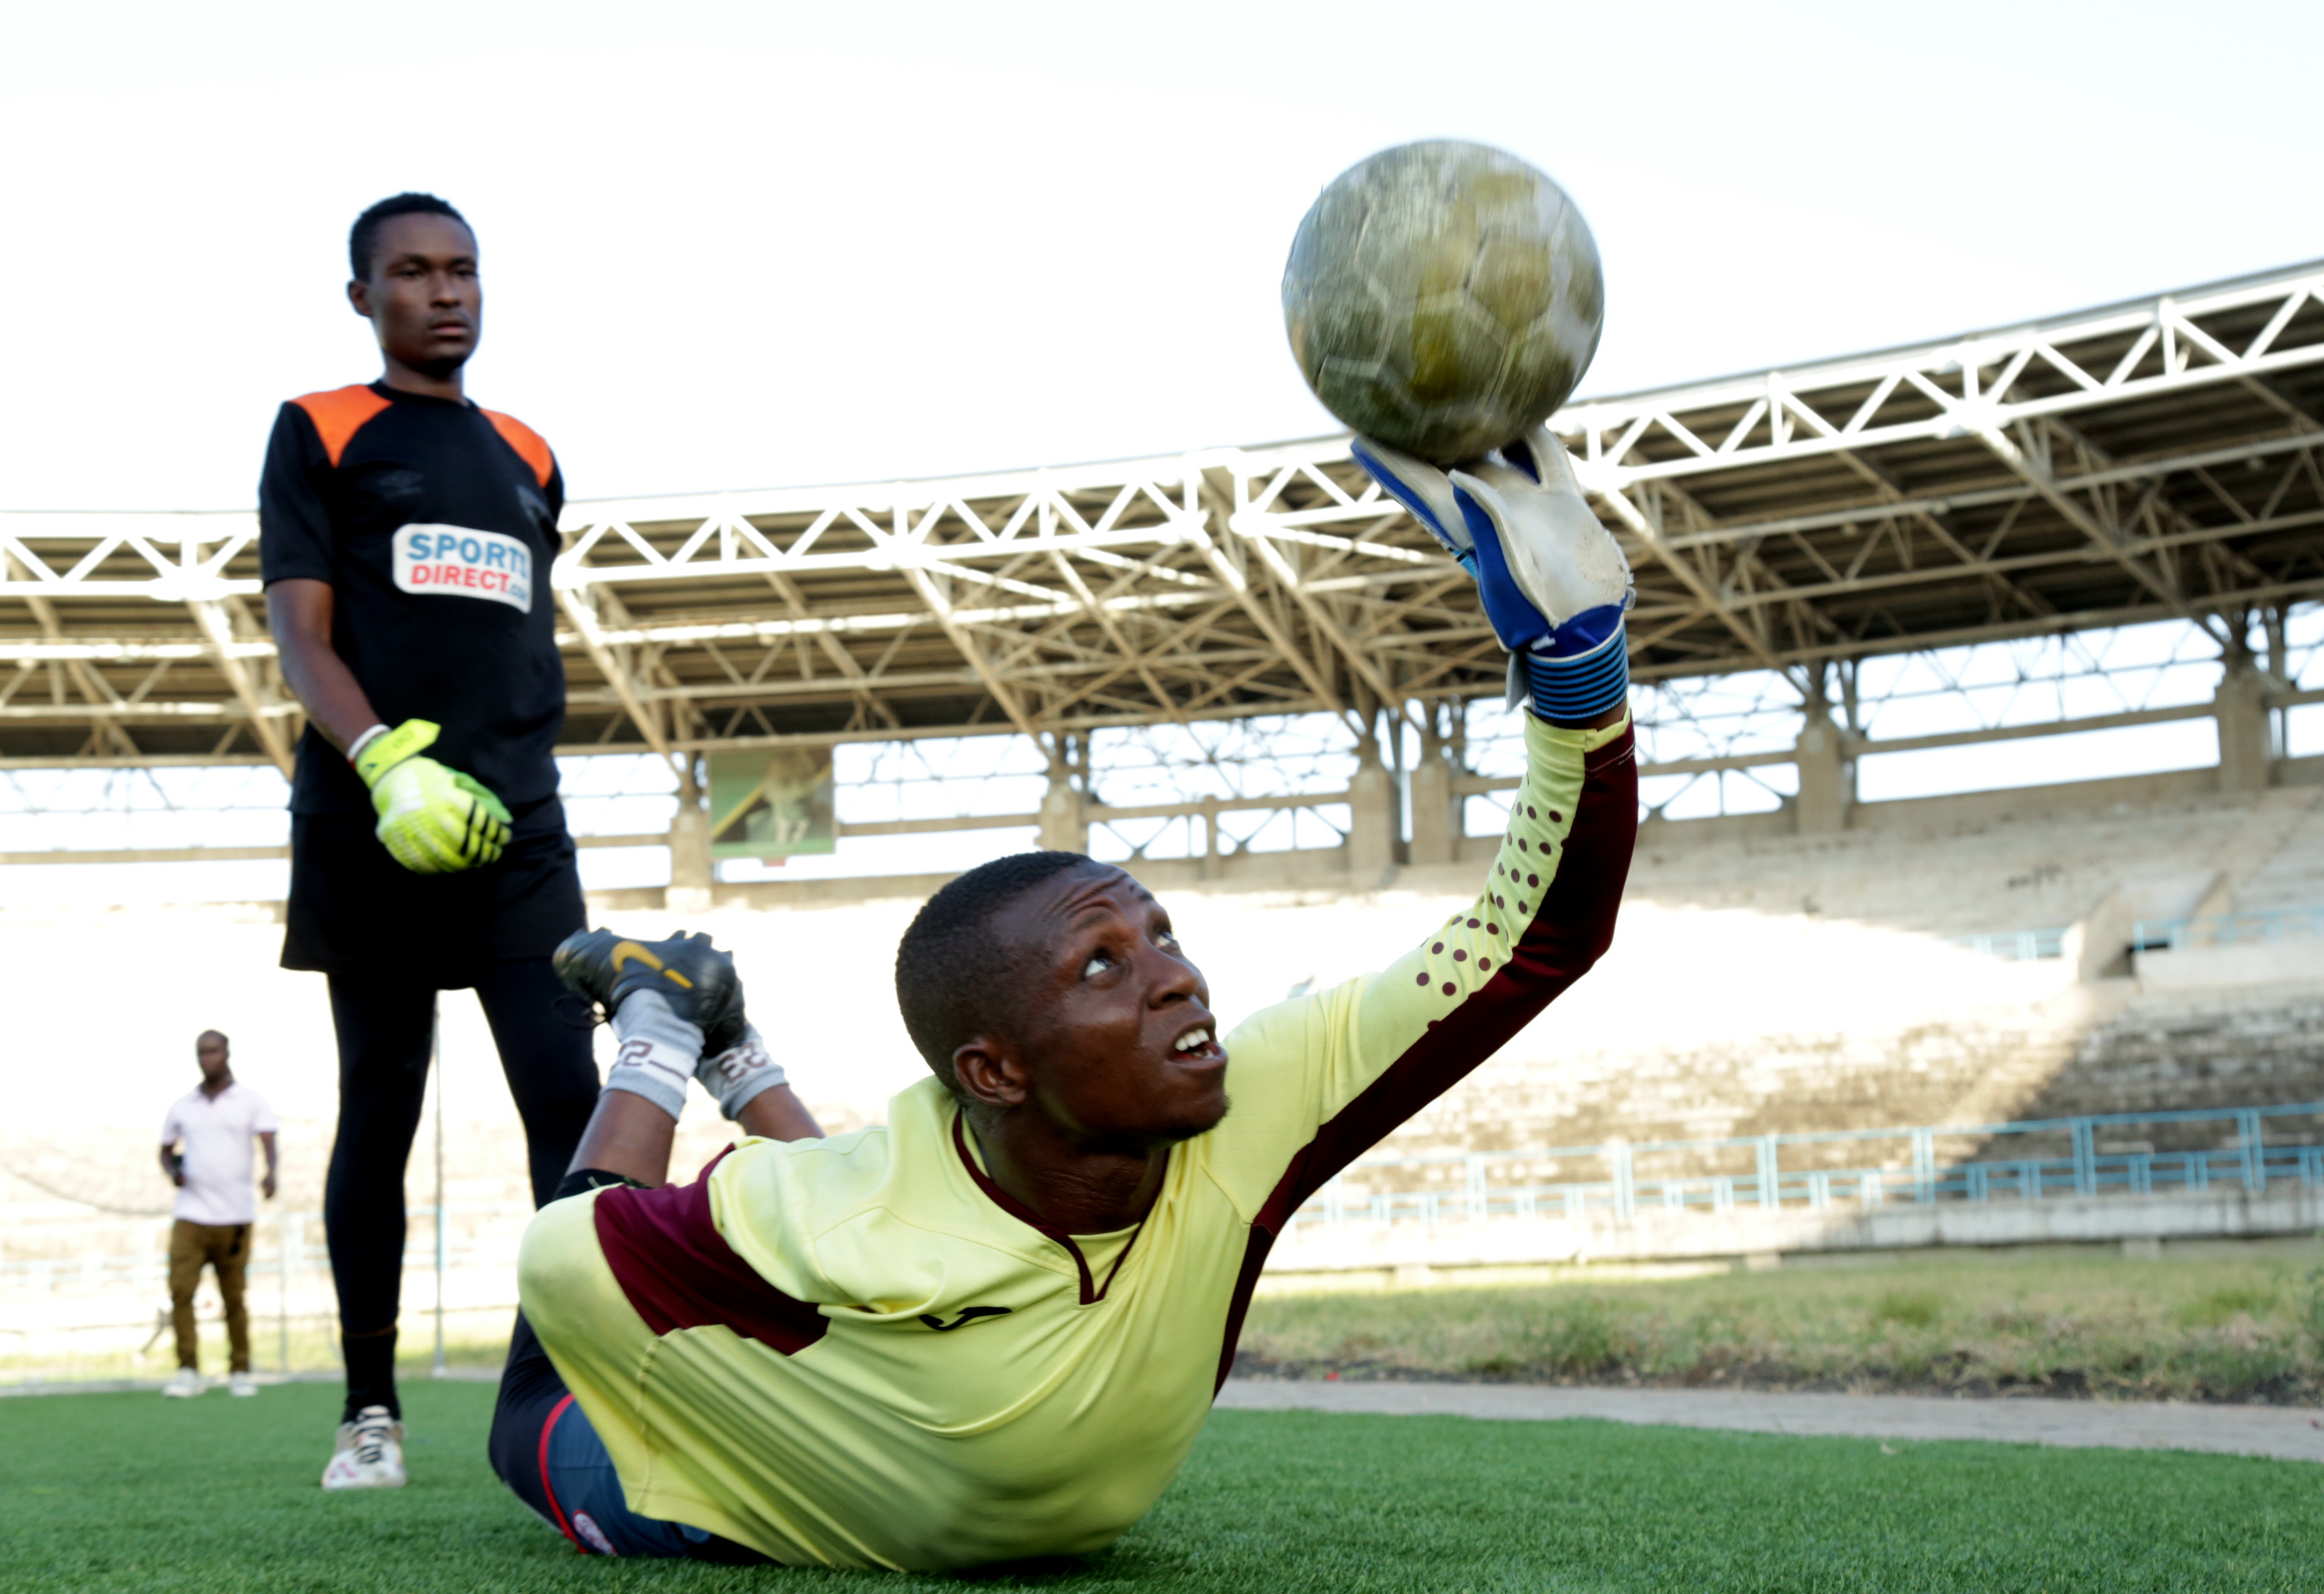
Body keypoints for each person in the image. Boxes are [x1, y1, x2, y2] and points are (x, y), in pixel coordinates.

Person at [488, 426, 1642, 1568]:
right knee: (524, 1419)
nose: (1176, 976)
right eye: (1103, 964)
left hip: (893, 1236)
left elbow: (1532, 939)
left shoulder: (1256, 1109)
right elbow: (563, 1259)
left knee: (864, 1234)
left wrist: (1579, 677)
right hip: (750, 1492)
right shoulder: (832, 1218)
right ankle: (663, 1020)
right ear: (993, 1070)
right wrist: (653, 1081)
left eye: (1162, 936)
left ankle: (732, 1044)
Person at [259, 191, 598, 1489]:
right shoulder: (320, 428)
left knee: (570, 1105)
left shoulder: (529, 452)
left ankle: (572, 1386)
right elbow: (302, 635)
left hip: (520, 829)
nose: (445, 291)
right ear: (365, 296)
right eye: (412, 271)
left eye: (463, 268)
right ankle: (370, 1411)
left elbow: (507, 649)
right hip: (373, 821)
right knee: (382, 1108)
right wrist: (384, 762)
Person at [158, 1030, 278, 1398]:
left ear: (227, 1053)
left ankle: (240, 1369)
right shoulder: (183, 1106)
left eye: (214, 1051)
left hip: (235, 1216)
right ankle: (188, 1370)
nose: (208, 1058)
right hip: (191, 1213)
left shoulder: (251, 1102)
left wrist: (271, 1174)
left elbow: (268, 1141)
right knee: (181, 1291)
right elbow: (165, 1150)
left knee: (234, 1296)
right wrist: (174, 1171)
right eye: (202, 1052)